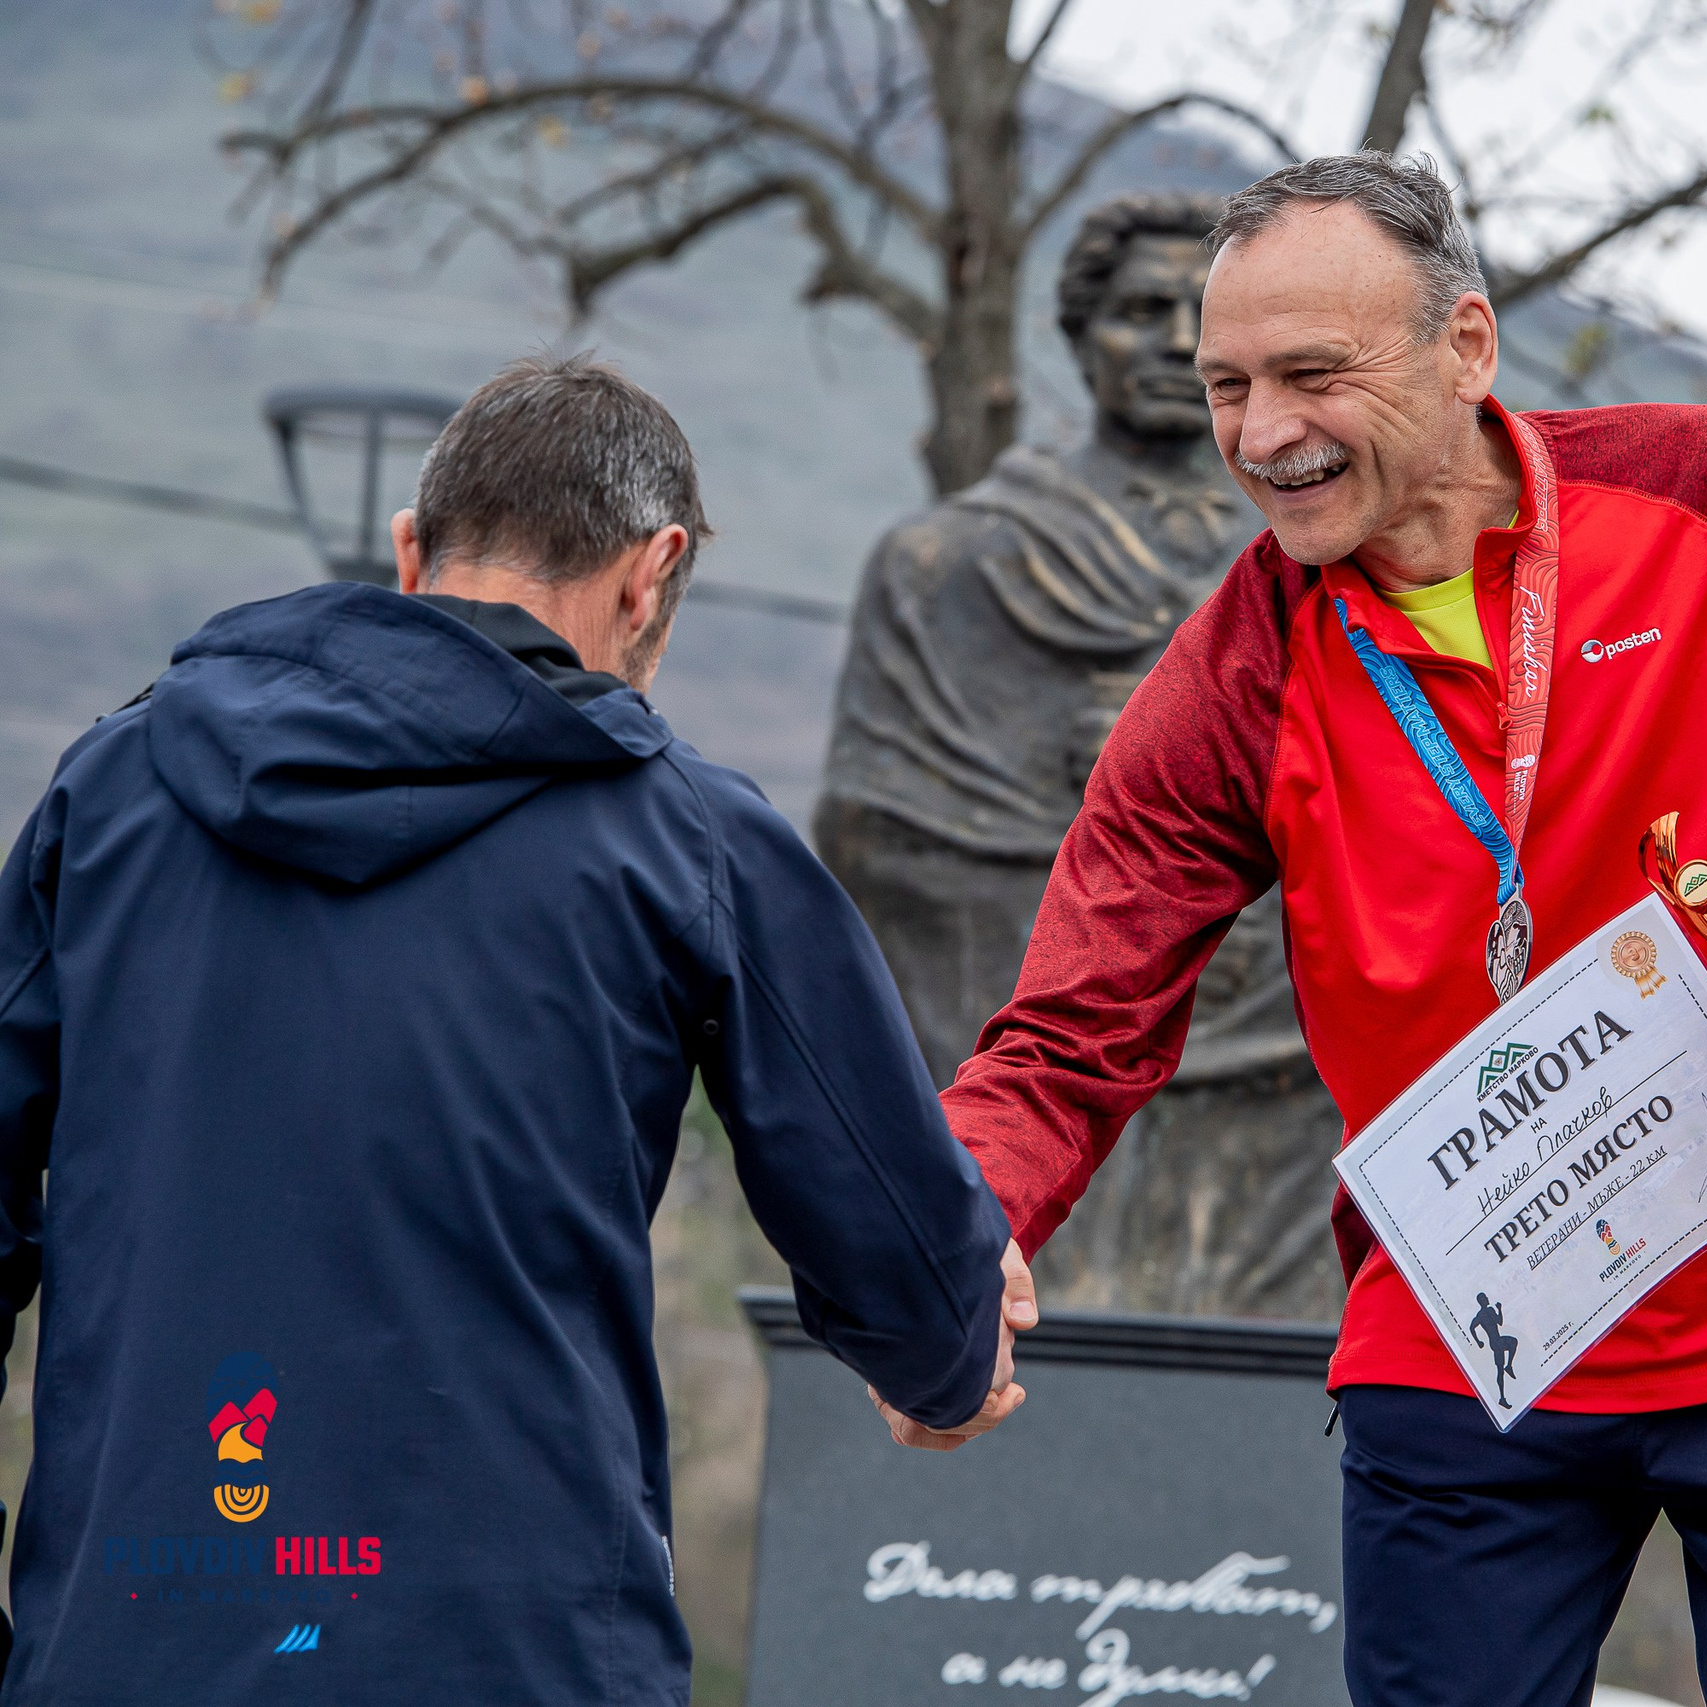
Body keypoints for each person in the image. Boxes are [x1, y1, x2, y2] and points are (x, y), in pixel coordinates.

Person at [914, 154, 1707, 1706]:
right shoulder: (1235, 675)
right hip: (1471, 1341)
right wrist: (946, 1231)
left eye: (1313, 375)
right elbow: (1070, 1027)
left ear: (1465, 347)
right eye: (1227, 387)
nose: (1264, 435)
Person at [0, 353, 1026, 1702]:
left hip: (130, 1637)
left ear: (410, 550)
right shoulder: (691, 840)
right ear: (648, 575)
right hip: (516, 1655)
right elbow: (898, 1236)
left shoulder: (111, 789)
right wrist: (949, 1362)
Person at [816, 192, 1343, 1320]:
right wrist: (1109, 803)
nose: (1162, 341)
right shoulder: (952, 564)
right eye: (1132, 309)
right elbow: (886, 846)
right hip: (1059, 1024)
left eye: (1188, 316)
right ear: (1075, 333)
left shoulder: (1335, 553)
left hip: (1301, 1053)